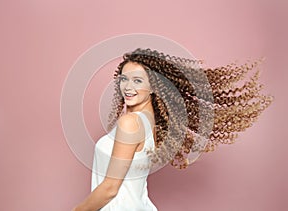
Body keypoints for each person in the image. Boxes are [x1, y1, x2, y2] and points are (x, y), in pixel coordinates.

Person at [72, 48, 273, 211]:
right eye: (124, 79)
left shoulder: (130, 124)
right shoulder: (150, 122)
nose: (127, 87)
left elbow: (110, 189)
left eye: (137, 80)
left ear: (153, 87)